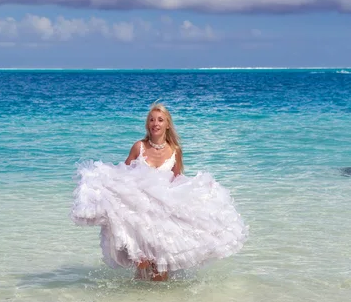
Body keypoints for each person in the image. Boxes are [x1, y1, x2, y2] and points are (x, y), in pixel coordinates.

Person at [71, 103, 248, 281]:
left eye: (160, 120)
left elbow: (178, 180)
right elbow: (121, 176)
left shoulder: (175, 151)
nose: (155, 123)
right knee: (142, 265)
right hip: (139, 214)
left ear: (167, 124)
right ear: (148, 124)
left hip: (163, 216)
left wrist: (199, 194)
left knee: (160, 269)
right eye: (152, 119)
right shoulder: (138, 147)